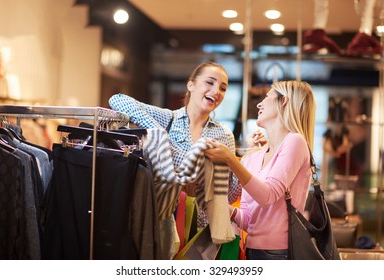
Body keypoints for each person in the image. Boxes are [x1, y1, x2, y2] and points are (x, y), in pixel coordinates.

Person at [108, 61, 266, 257]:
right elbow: (118, 100)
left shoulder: (223, 135)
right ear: (191, 85)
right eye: (210, 82)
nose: (216, 91)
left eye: (223, 88)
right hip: (164, 217)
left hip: (202, 229)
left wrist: (250, 155)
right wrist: (160, 135)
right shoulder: (168, 119)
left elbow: (230, 196)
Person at [205, 80, 317, 260]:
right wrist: (220, 207)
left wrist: (230, 159)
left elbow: (268, 196)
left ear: (284, 101)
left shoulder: (295, 142)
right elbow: (250, 221)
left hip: (281, 254)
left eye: (266, 97)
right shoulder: (253, 157)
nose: (259, 103)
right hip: (252, 251)